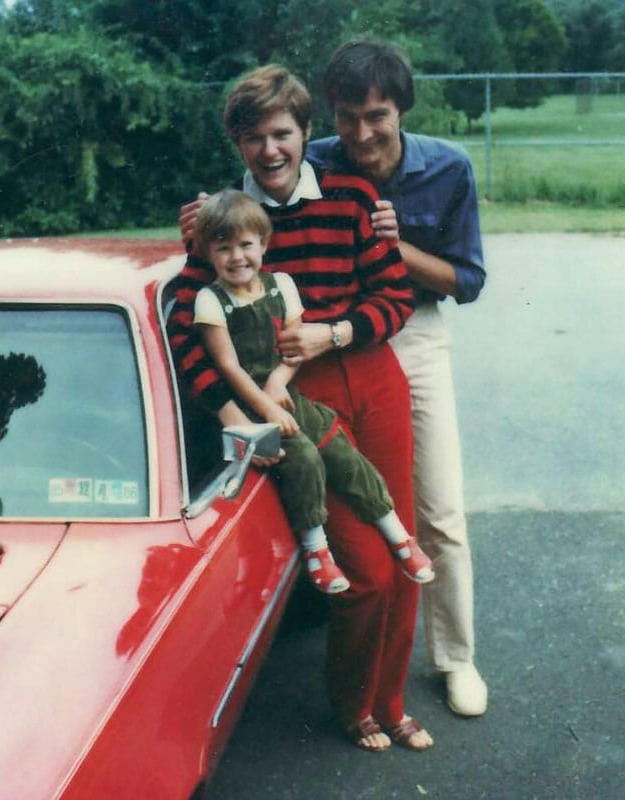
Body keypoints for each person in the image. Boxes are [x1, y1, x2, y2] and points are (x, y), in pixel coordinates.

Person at [168, 64, 433, 751]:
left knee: (404, 551)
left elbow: (395, 297)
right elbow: (187, 329)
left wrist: (334, 330)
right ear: (238, 145)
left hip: (372, 380)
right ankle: (355, 705)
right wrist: (231, 410)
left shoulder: (350, 197)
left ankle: (393, 702)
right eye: (253, 138)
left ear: (306, 133)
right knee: (366, 571)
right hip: (295, 401)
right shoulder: (224, 219)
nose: (270, 150)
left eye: (282, 133)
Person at [305, 38, 488, 717]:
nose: (361, 133)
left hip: (412, 331)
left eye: (376, 115)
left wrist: (396, 247)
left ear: (401, 109)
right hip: (332, 337)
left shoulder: (448, 168)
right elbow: (250, 220)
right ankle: (352, 652)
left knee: (439, 510)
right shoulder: (311, 158)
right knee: (343, 504)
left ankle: (456, 660)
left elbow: (466, 281)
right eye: (348, 116)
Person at [193, 188, 435, 594]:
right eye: (223, 248)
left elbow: (295, 345)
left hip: (282, 393)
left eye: (246, 245)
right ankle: (316, 550)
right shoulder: (210, 300)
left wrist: (278, 384)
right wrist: (266, 406)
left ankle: (399, 536)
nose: (237, 257)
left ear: (263, 245)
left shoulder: (281, 285)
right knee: (303, 457)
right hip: (250, 407)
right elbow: (228, 366)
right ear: (208, 252)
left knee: (340, 449)